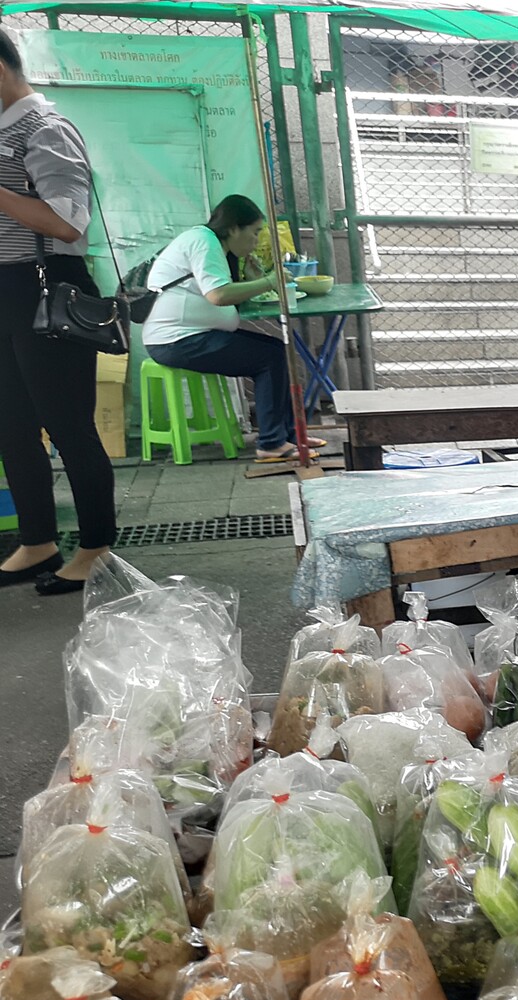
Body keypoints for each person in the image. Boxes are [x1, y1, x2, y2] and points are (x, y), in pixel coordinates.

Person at [0, 29, 118, 595]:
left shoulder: (46, 129)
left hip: (45, 287)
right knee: (11, 424)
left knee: (68, 424)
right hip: (7, 290)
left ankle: (96, 547)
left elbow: (68, 222)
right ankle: (38, 541)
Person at [142, 194, 322, 463]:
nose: (256, 240)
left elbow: (225, 294)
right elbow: (218, 295)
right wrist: (269, 281)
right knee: (269, 359)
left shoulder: (213, 244)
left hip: (192, 334)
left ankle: (289, 435)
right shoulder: (204, 241)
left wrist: (253, 278)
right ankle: (271, 443)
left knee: (276, 349)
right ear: (235, 228)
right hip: (176, 341)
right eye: (255, 232)